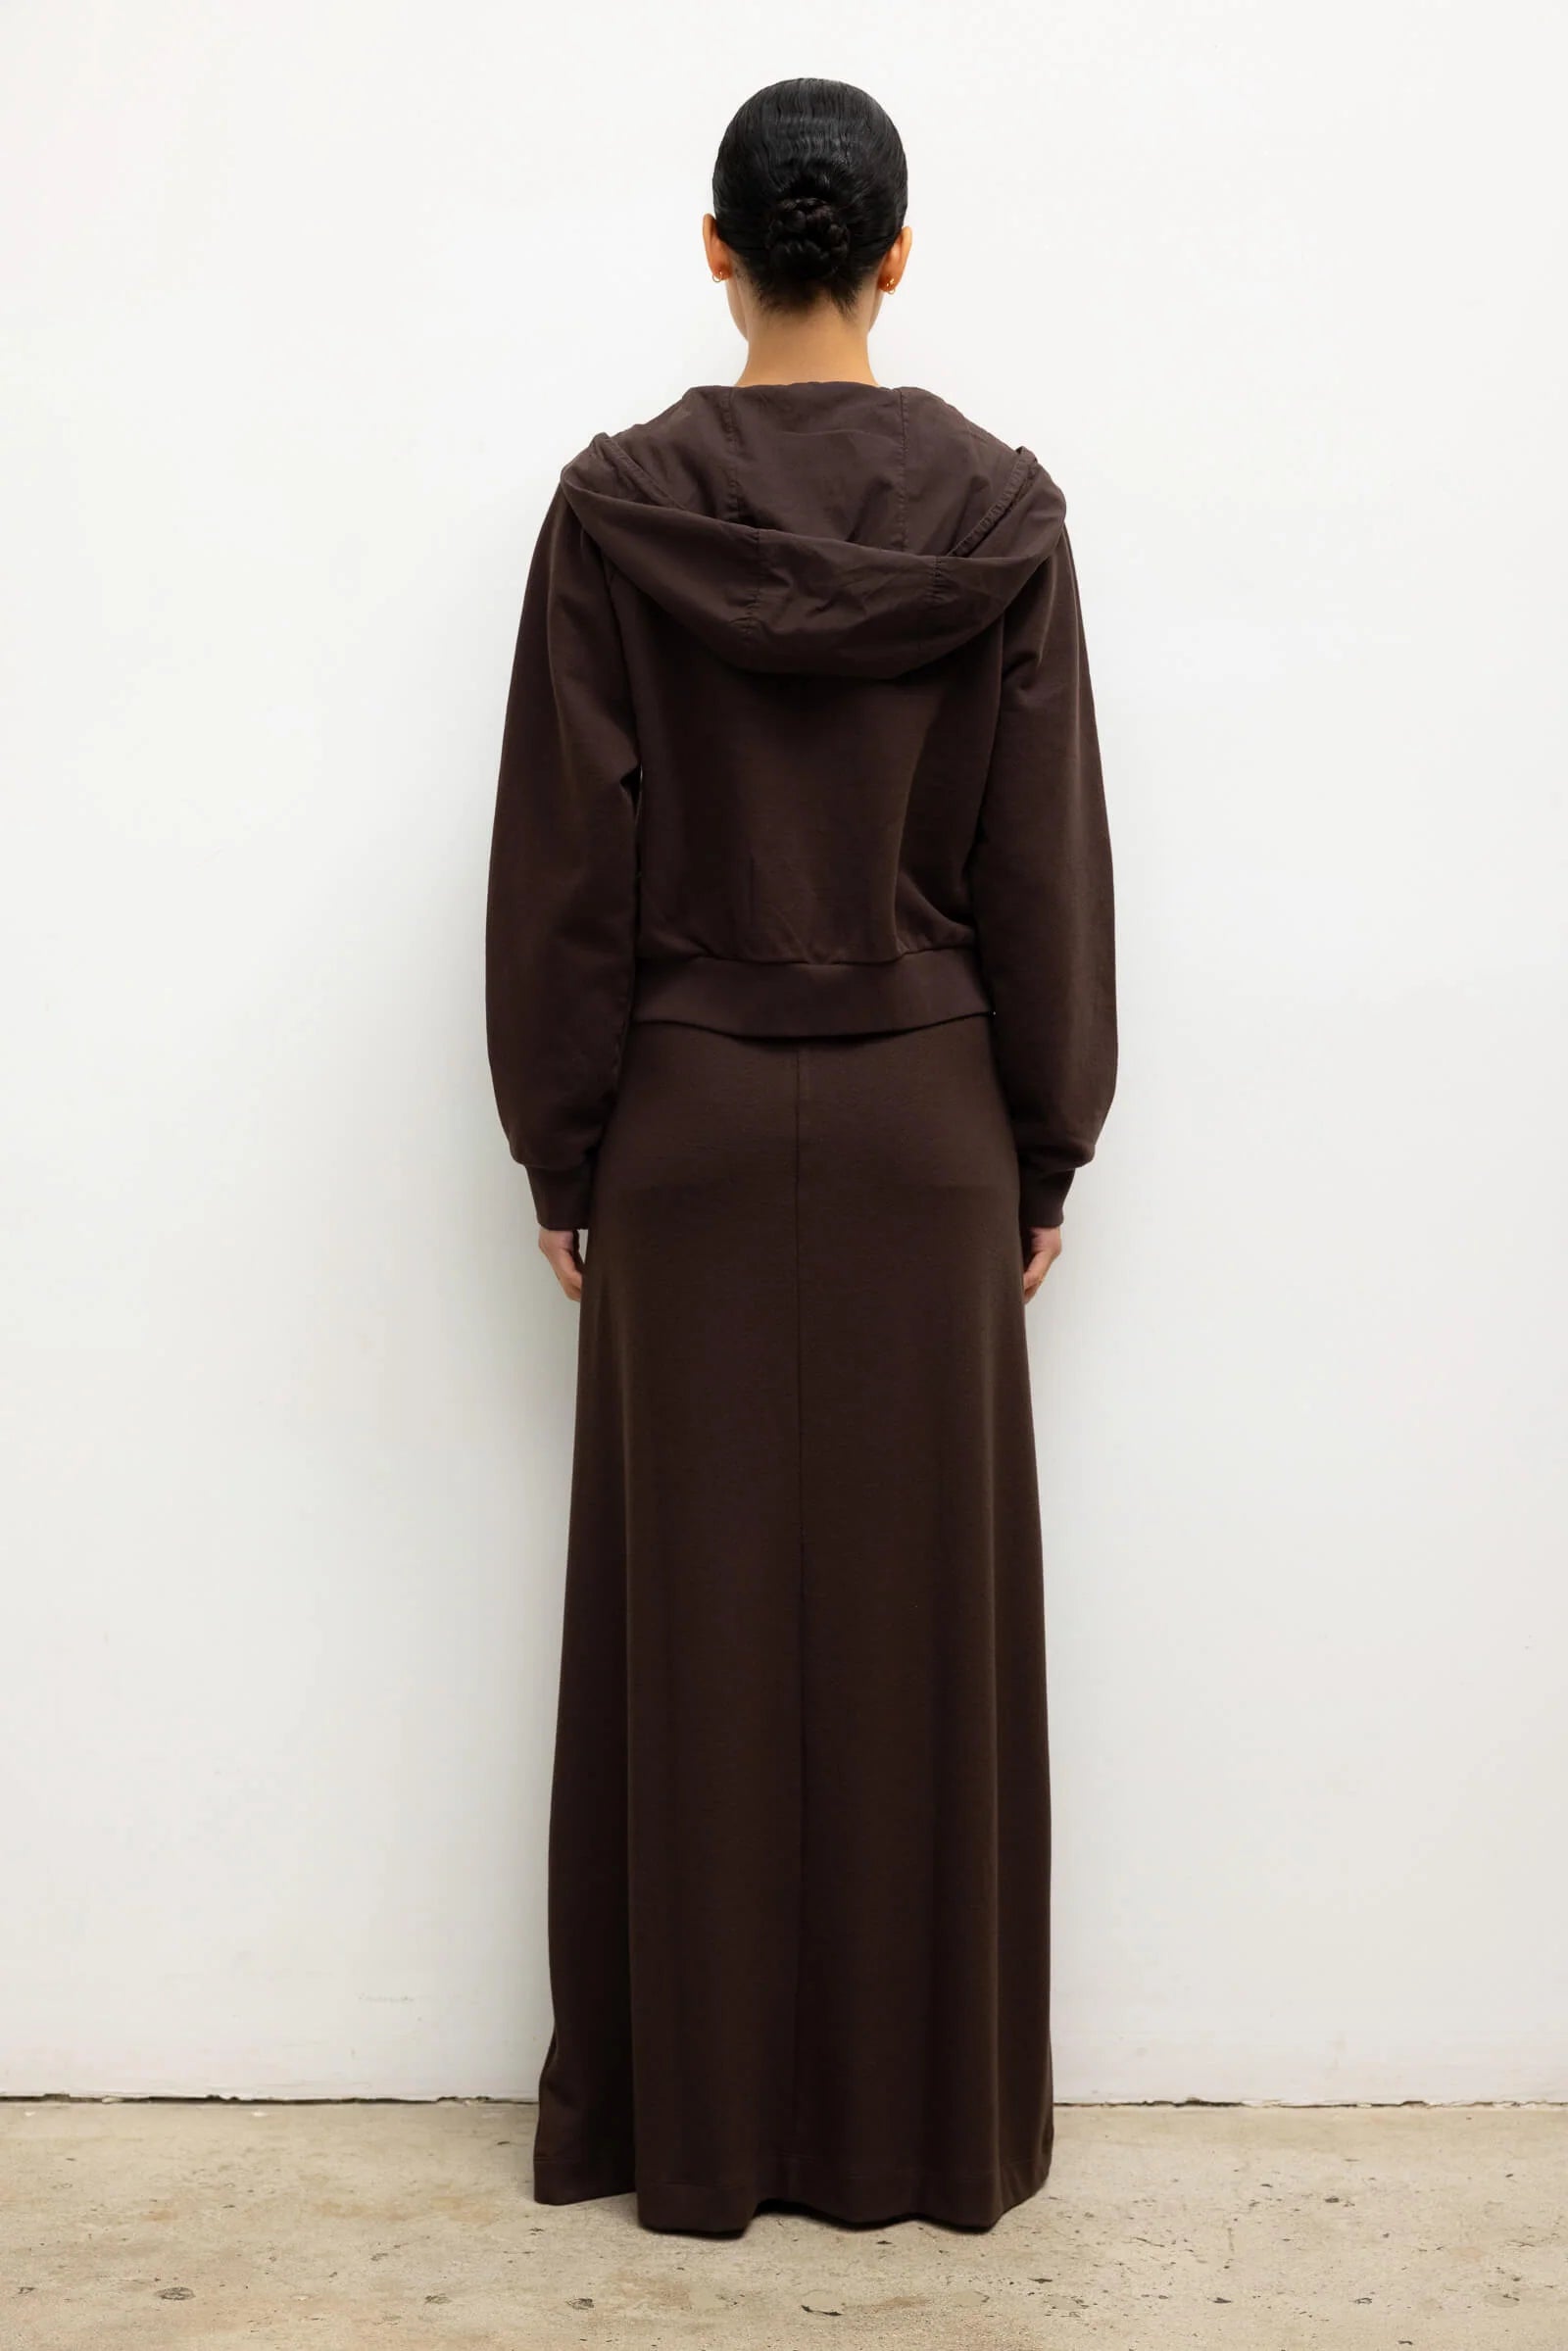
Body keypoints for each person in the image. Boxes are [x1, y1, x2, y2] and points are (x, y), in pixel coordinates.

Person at [484, 74, 1117, 2238]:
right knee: (920, 1642)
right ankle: (923, 2135)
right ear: (899, 257)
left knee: (689, 1629)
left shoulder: (613, 511)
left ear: (716, 247)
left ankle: (690, 2134)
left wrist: (563, 1142)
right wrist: (1043, 1144)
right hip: (927, 1123)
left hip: (679, 1111)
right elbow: (1038, 864)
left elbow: (568, 863)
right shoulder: (1003, 515)